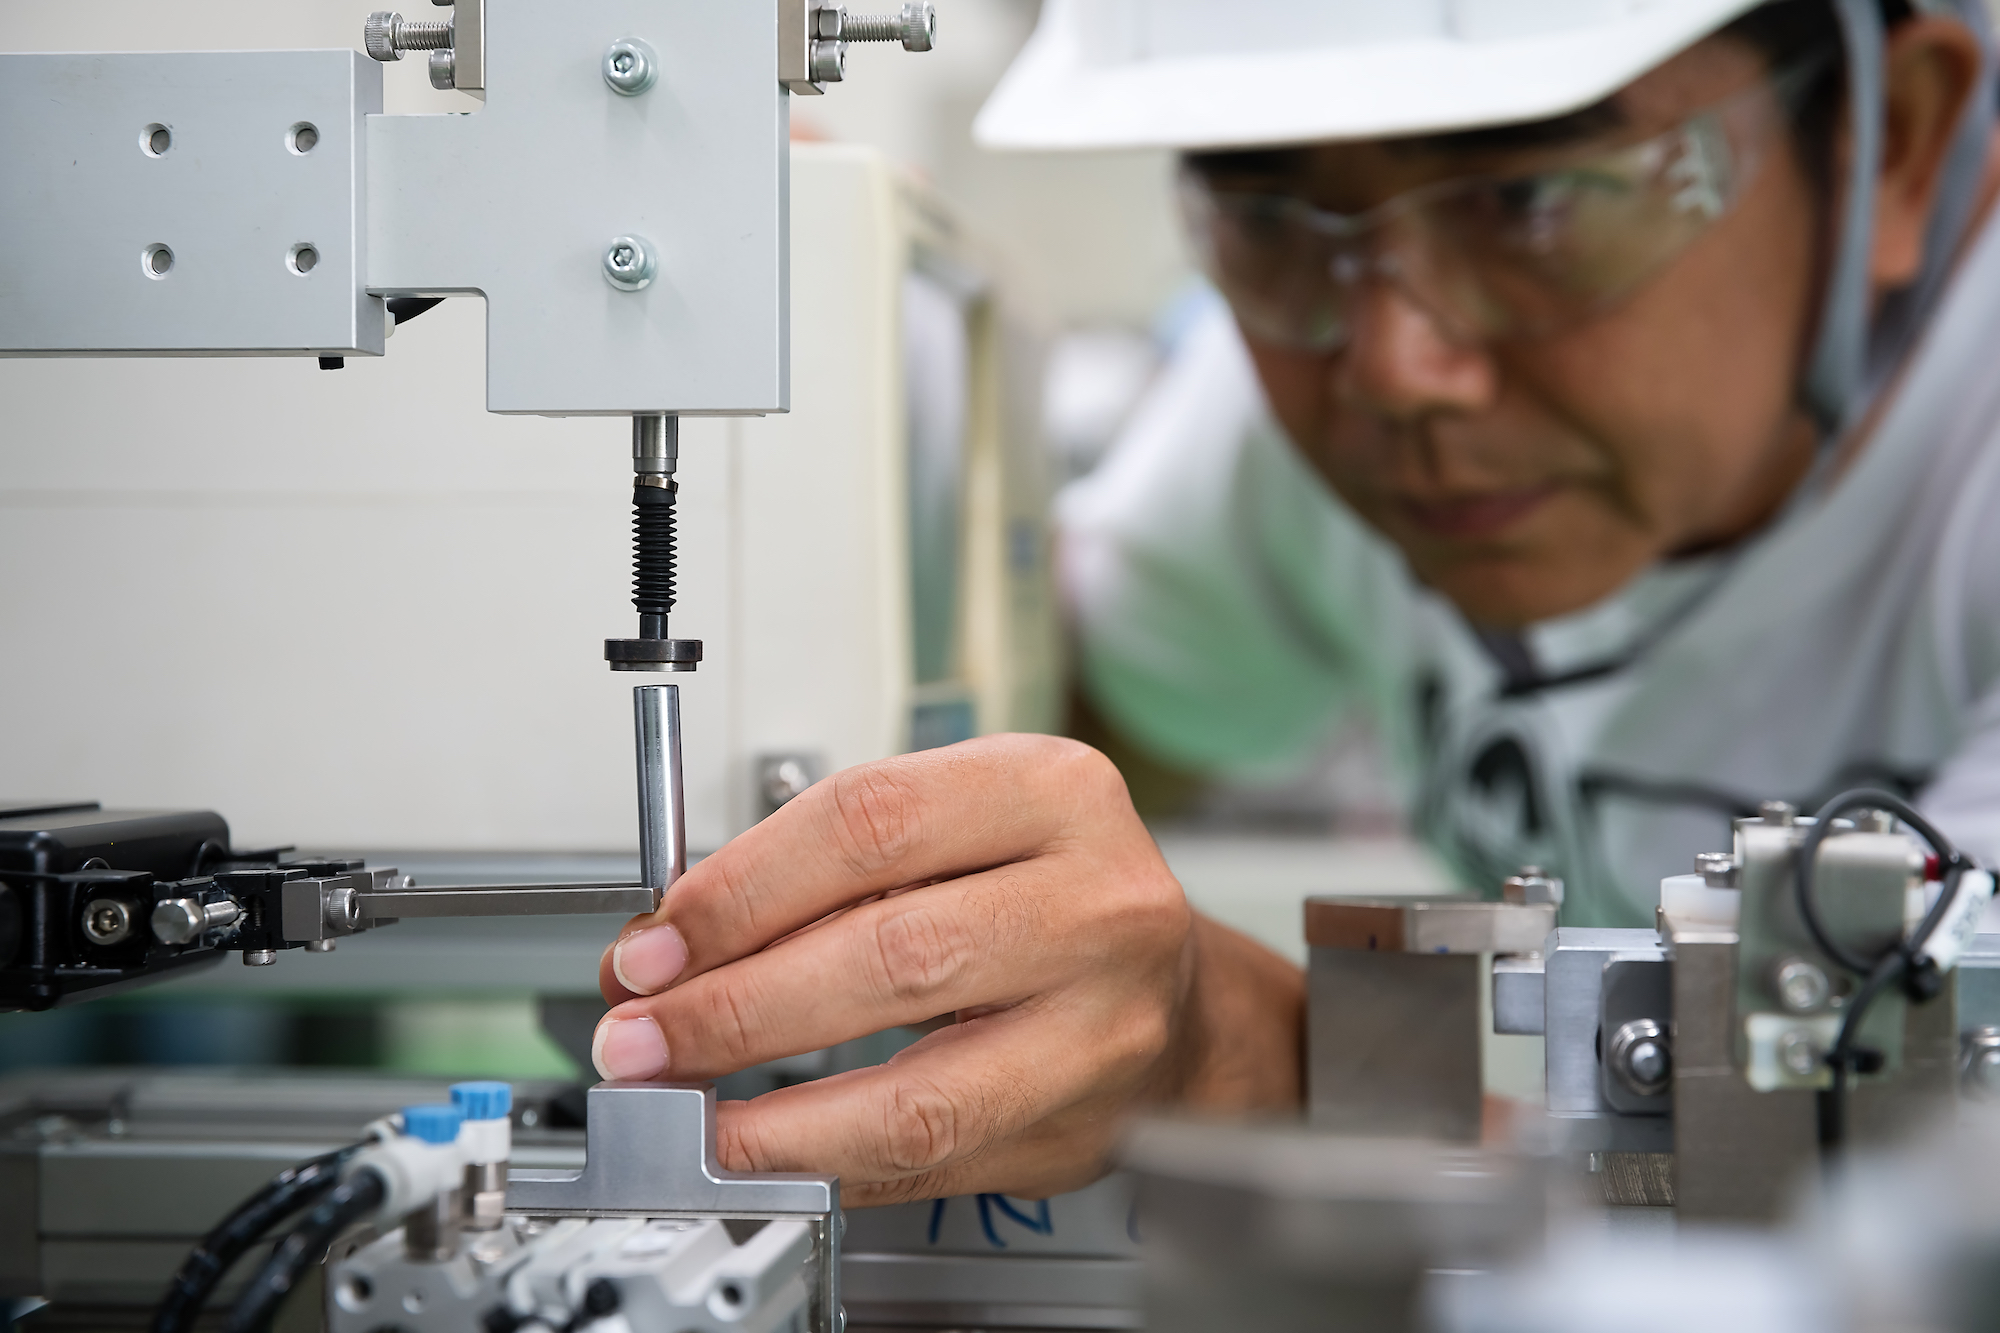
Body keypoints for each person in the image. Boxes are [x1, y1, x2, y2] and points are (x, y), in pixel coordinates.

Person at [590, 0, 2000, 1205]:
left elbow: (1890, 1216)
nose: (1396, 366)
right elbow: (1076, 701)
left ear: (1906, 144)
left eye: (1533, 202)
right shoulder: (1323, 379)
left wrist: (1235, 1052)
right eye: (1270, 218)